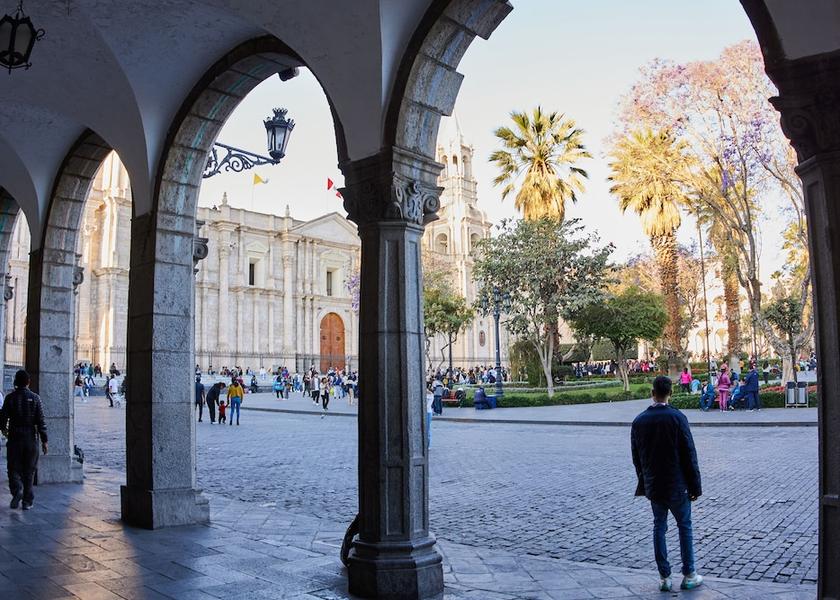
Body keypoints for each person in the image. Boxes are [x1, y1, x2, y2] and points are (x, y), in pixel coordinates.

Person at [631, 376, 703, 592]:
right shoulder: (677, 418)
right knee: (685, 527)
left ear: (652, 392)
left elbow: (637, 458)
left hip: (655, 485)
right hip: (677, 484)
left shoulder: (639, 421)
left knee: (659, 527)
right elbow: (689, 454)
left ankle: (664, 577)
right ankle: (689, 574)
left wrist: (645, 481)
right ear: (670, 393)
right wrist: (695, 486)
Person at [0, 370, 48, 510]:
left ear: (16, 381)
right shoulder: (35, 398)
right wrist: (44, 441)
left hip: (15, 437)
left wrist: (4, 430)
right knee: (29, 471)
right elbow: (41, 421)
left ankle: (17, 490)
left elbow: (2, 420)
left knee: (13, 468)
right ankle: (27, 501)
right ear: (28, 382)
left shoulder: (10, 398)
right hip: (30, 438)